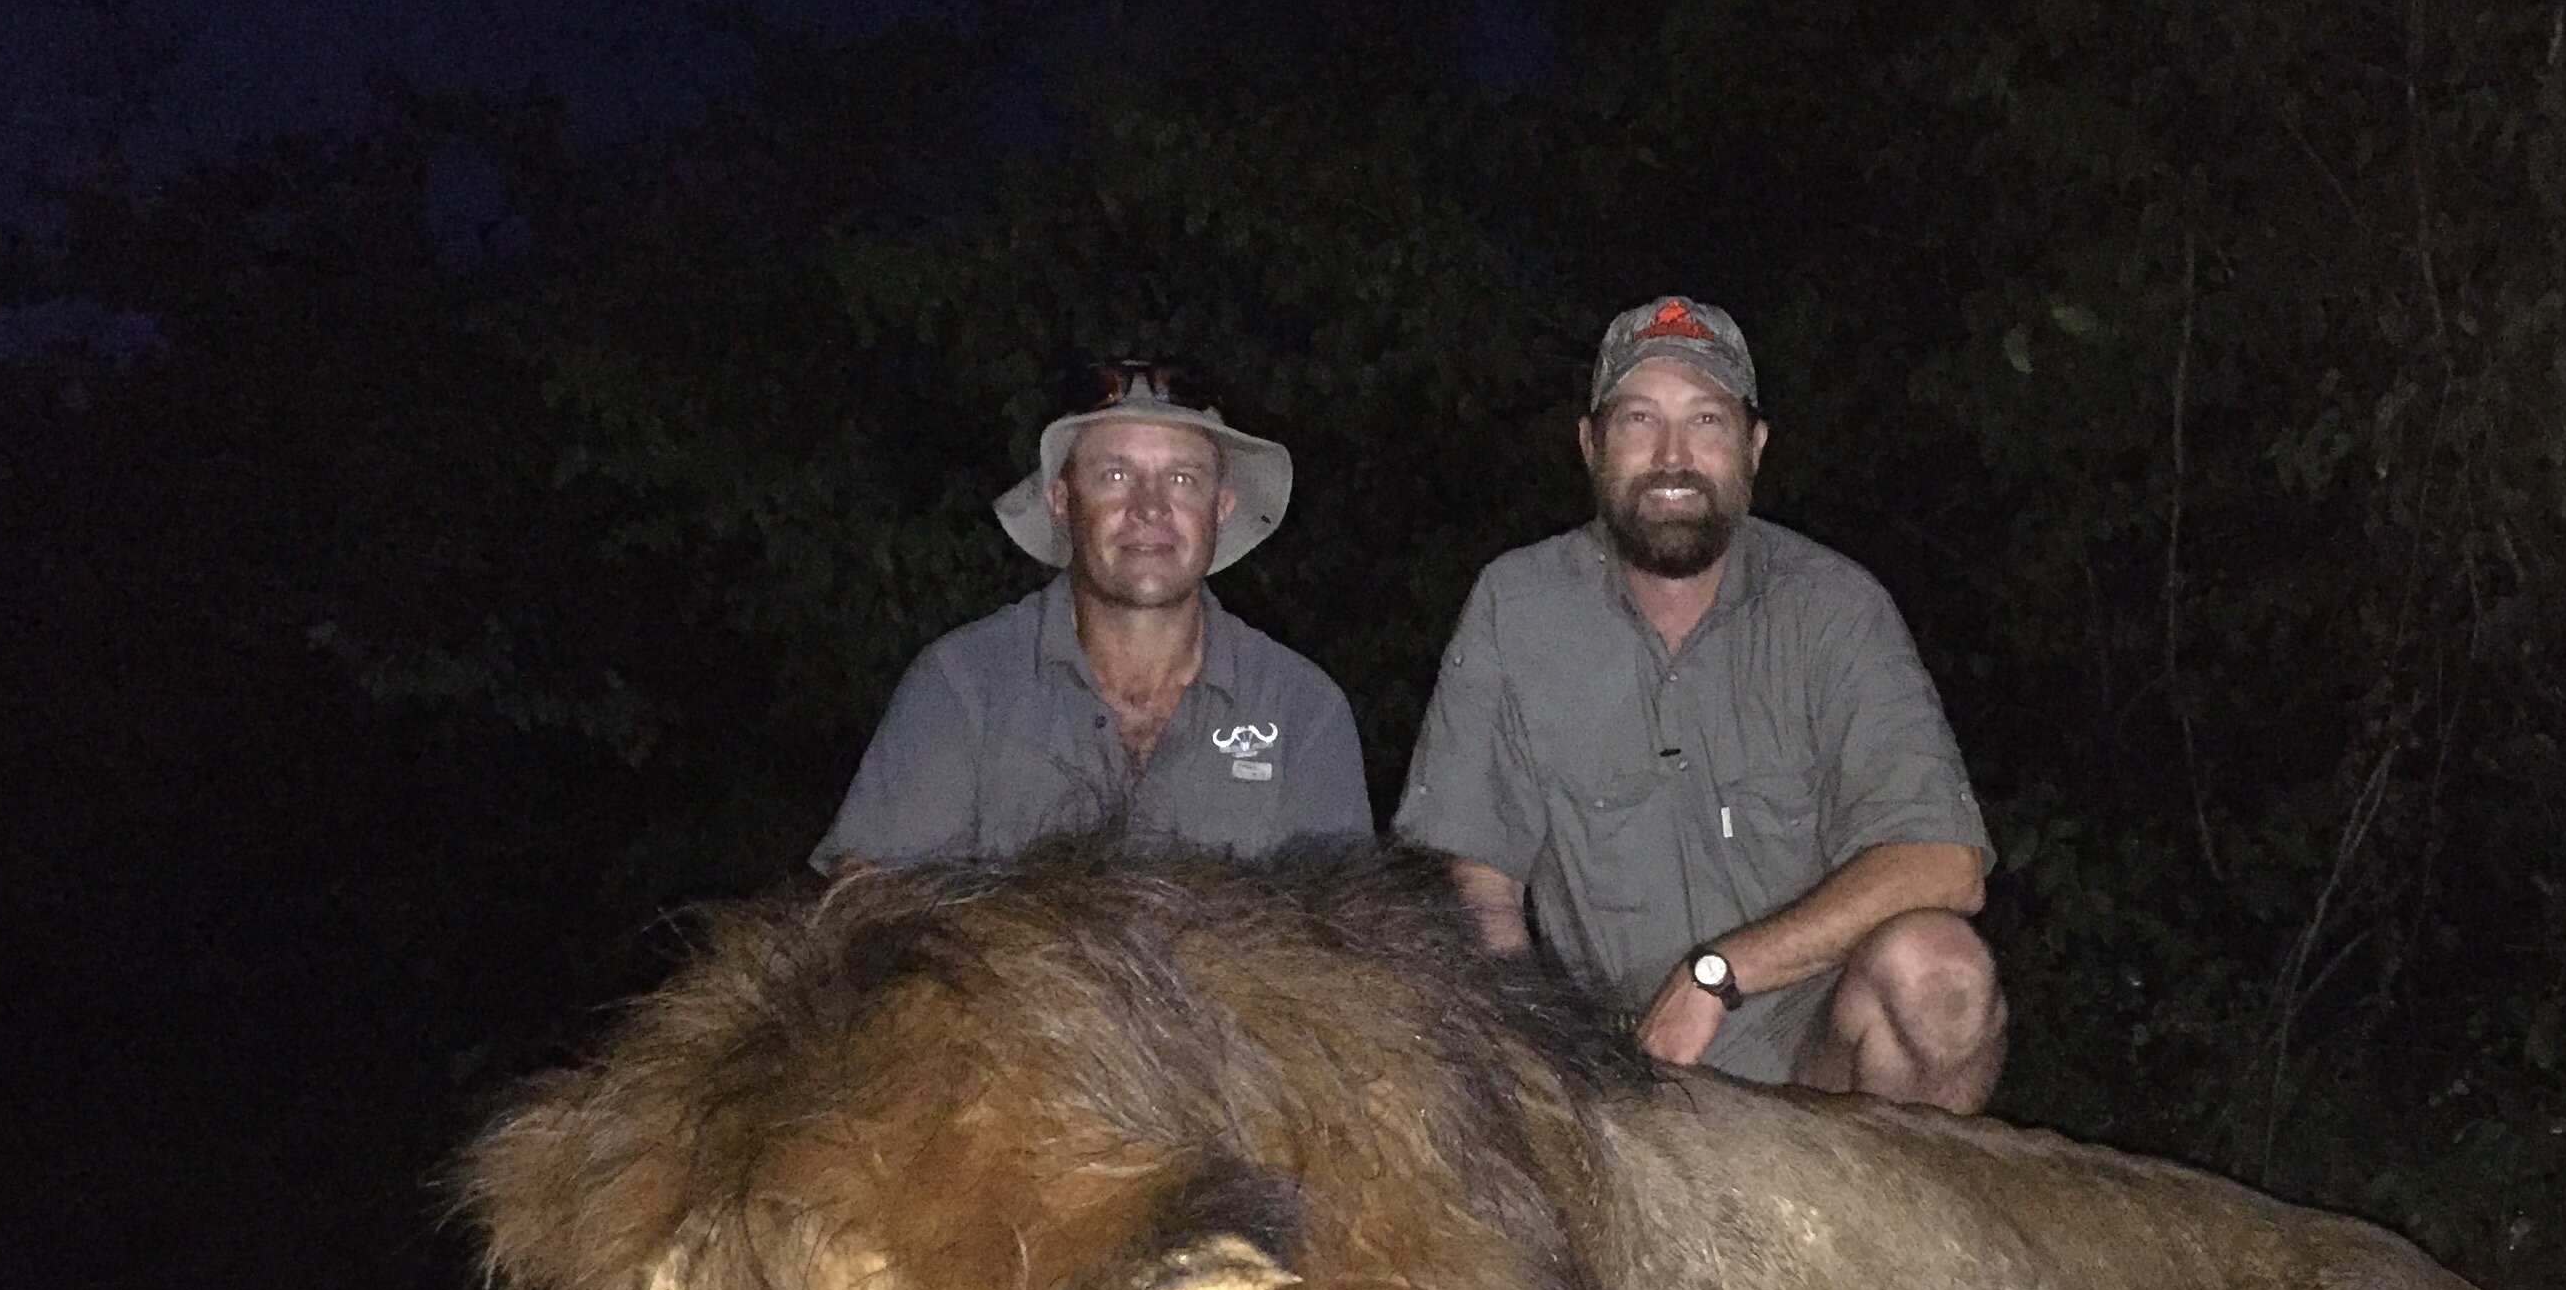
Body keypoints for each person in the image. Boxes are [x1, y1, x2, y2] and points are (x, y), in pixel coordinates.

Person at [1394, 297, 2004, 1109]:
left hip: (1816, 1067)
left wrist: (1719, 976)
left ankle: (1903, 1225)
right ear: (1590, 444)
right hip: (1618, 1068)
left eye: (1707, 421)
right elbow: (1472, 881)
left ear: (1753, 448)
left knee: (1942, 973)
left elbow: (1945, 863)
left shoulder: (1834, 607)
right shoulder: (1517, 605)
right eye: (1639, 419)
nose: (1672, 456)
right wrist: (1532, 1056)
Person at [814, 361, 1372, 872]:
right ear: (1062, 502)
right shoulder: (961, 684)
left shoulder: (1303, 709)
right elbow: (870, 904)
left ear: (1220, 510)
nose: (1149, 507)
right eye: (1114, 476)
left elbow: (1341, 949)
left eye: (1182, 480)